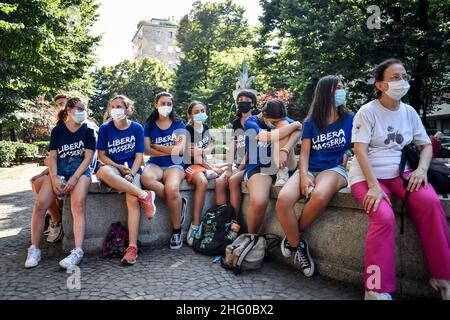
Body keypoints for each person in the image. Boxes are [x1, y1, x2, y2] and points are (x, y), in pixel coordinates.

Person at [350, 58, 450, 300]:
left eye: (404, 76)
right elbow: (359, 150)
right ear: (380, 85)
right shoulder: (368, 111)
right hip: (366, 175)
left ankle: (443, 276)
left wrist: (421, 170)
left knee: (430, 202)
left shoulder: (409, 112)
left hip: (401, 174)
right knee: (383, 217)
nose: (402, 81)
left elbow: (425, 145)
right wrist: (373, 186)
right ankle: (375, 287)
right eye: (395, 77)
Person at [275, 75, 354, 277]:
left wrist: (348, 155)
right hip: (309, 168)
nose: (341, 91)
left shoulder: (350, 119)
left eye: (342, 88)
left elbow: (359, 146)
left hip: (334, 170)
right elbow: (305, 153)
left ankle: (293, 236)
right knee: (283, 200)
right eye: (337, 88)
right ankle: (298, 245)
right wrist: (303, 176)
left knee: (319, 195)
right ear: (325, 92)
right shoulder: (311, 122)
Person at [25, 97, 97, 269]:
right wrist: (55, 177)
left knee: (77, 205)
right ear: (70, 110)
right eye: (79, 108)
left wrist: (74, 178)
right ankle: (34, 248)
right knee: (40, 204)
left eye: (85, 108)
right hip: (60, 169)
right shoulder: (58, 131)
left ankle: (77, 250)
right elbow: (53, 157)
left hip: (80, 172)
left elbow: (88, 158)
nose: (83, 112)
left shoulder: (88, 131)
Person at [96, 95, 156, 265]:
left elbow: (139, 156)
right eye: (113, 106)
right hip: (113, 166)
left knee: (131, 199)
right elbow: (101, 156)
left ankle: (132, 247)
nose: (116, 110)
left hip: (132, 168)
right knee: (104, 172)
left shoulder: (136, 128)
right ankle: (145, 196)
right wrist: (118, 167)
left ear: (128, 109)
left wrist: (131, 173)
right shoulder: (105, 129)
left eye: (120, 106)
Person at [244, 99, 302, 234]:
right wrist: (295, 125)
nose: (275, 123)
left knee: (284, 126)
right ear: (264, 114)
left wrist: (285, 149)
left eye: (277, 120)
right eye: (273, 121)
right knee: (259, 201)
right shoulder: (250, 122)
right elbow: (266, 136)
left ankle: (282, 172)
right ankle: (251, 238)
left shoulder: (280, 118)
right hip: (260, 166)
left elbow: (299, 131)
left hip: (284, 163)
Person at [140, 92, 188, 249]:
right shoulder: (150, 124)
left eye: (169, 103)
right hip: (155, 164)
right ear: (156, 105)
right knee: (145, 178)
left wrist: (156, 146)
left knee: (172, 188)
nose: (166, 106)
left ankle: (176, 231)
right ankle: (178, 203)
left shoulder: (179, 124)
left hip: (175, 164)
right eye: (162, 103)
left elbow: (179, 151)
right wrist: (169, 149)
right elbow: (146, 150)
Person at [184, 101, 225, 246]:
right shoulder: (187, 130)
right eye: (196, 111)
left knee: (227, 169)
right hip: (190, 165)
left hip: (202, 164)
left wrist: (204, 152)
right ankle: (194, 225)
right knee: (202, 182)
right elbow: (193, 156)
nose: (200, 114)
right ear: (190, 114)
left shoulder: (206, 128)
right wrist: (211, 167)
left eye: (202, 110)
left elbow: (209, 147)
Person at [30, 94, 68, 243]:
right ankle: (56, 219)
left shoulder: (83, 126)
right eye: (58, 104)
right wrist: (42, 172)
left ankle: (59, 220)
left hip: (73, 171)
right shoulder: (58, 128)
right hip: (58, 169)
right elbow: (54, 158)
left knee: (48, 184)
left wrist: (50, 166)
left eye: (63, 103)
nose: (60, 107)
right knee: (36, 182)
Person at [215, 90, 258, 216]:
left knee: (233, 180)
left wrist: (239, 169)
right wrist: (229, 168)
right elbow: (232, 145)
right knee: (219, 182)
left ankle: (234, 219)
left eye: (246, 101)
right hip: (238, 163)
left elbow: (252, 148)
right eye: (240, 101)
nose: (242, 103)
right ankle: (222, 219)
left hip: (252, 163)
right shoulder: (236, 122)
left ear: (253, 103)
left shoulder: (257, 121)